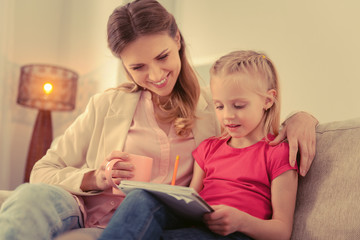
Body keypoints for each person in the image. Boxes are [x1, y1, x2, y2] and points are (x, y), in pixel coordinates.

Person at [0, 0, 316, 239]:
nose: (155, 76)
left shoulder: (217, 110)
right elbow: (43, 171)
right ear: (124, 65)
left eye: (162, 57)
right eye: (138, 67)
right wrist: (96, 177)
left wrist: (303, 117)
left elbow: (256, 126)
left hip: (146, 221)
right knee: (29, 197)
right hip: (81, 206)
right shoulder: (106, 104)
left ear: (177, 39)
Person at [98, 50, 298, 240]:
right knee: (140, 197)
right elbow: (190, 201)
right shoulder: (209, 148)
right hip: (197, 227)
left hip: (238, 234)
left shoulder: (278, 152)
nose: (227, 115)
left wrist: (241, 221)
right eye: (219, 106)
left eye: (238, 105)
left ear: (268, 100)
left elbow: (282, 231)